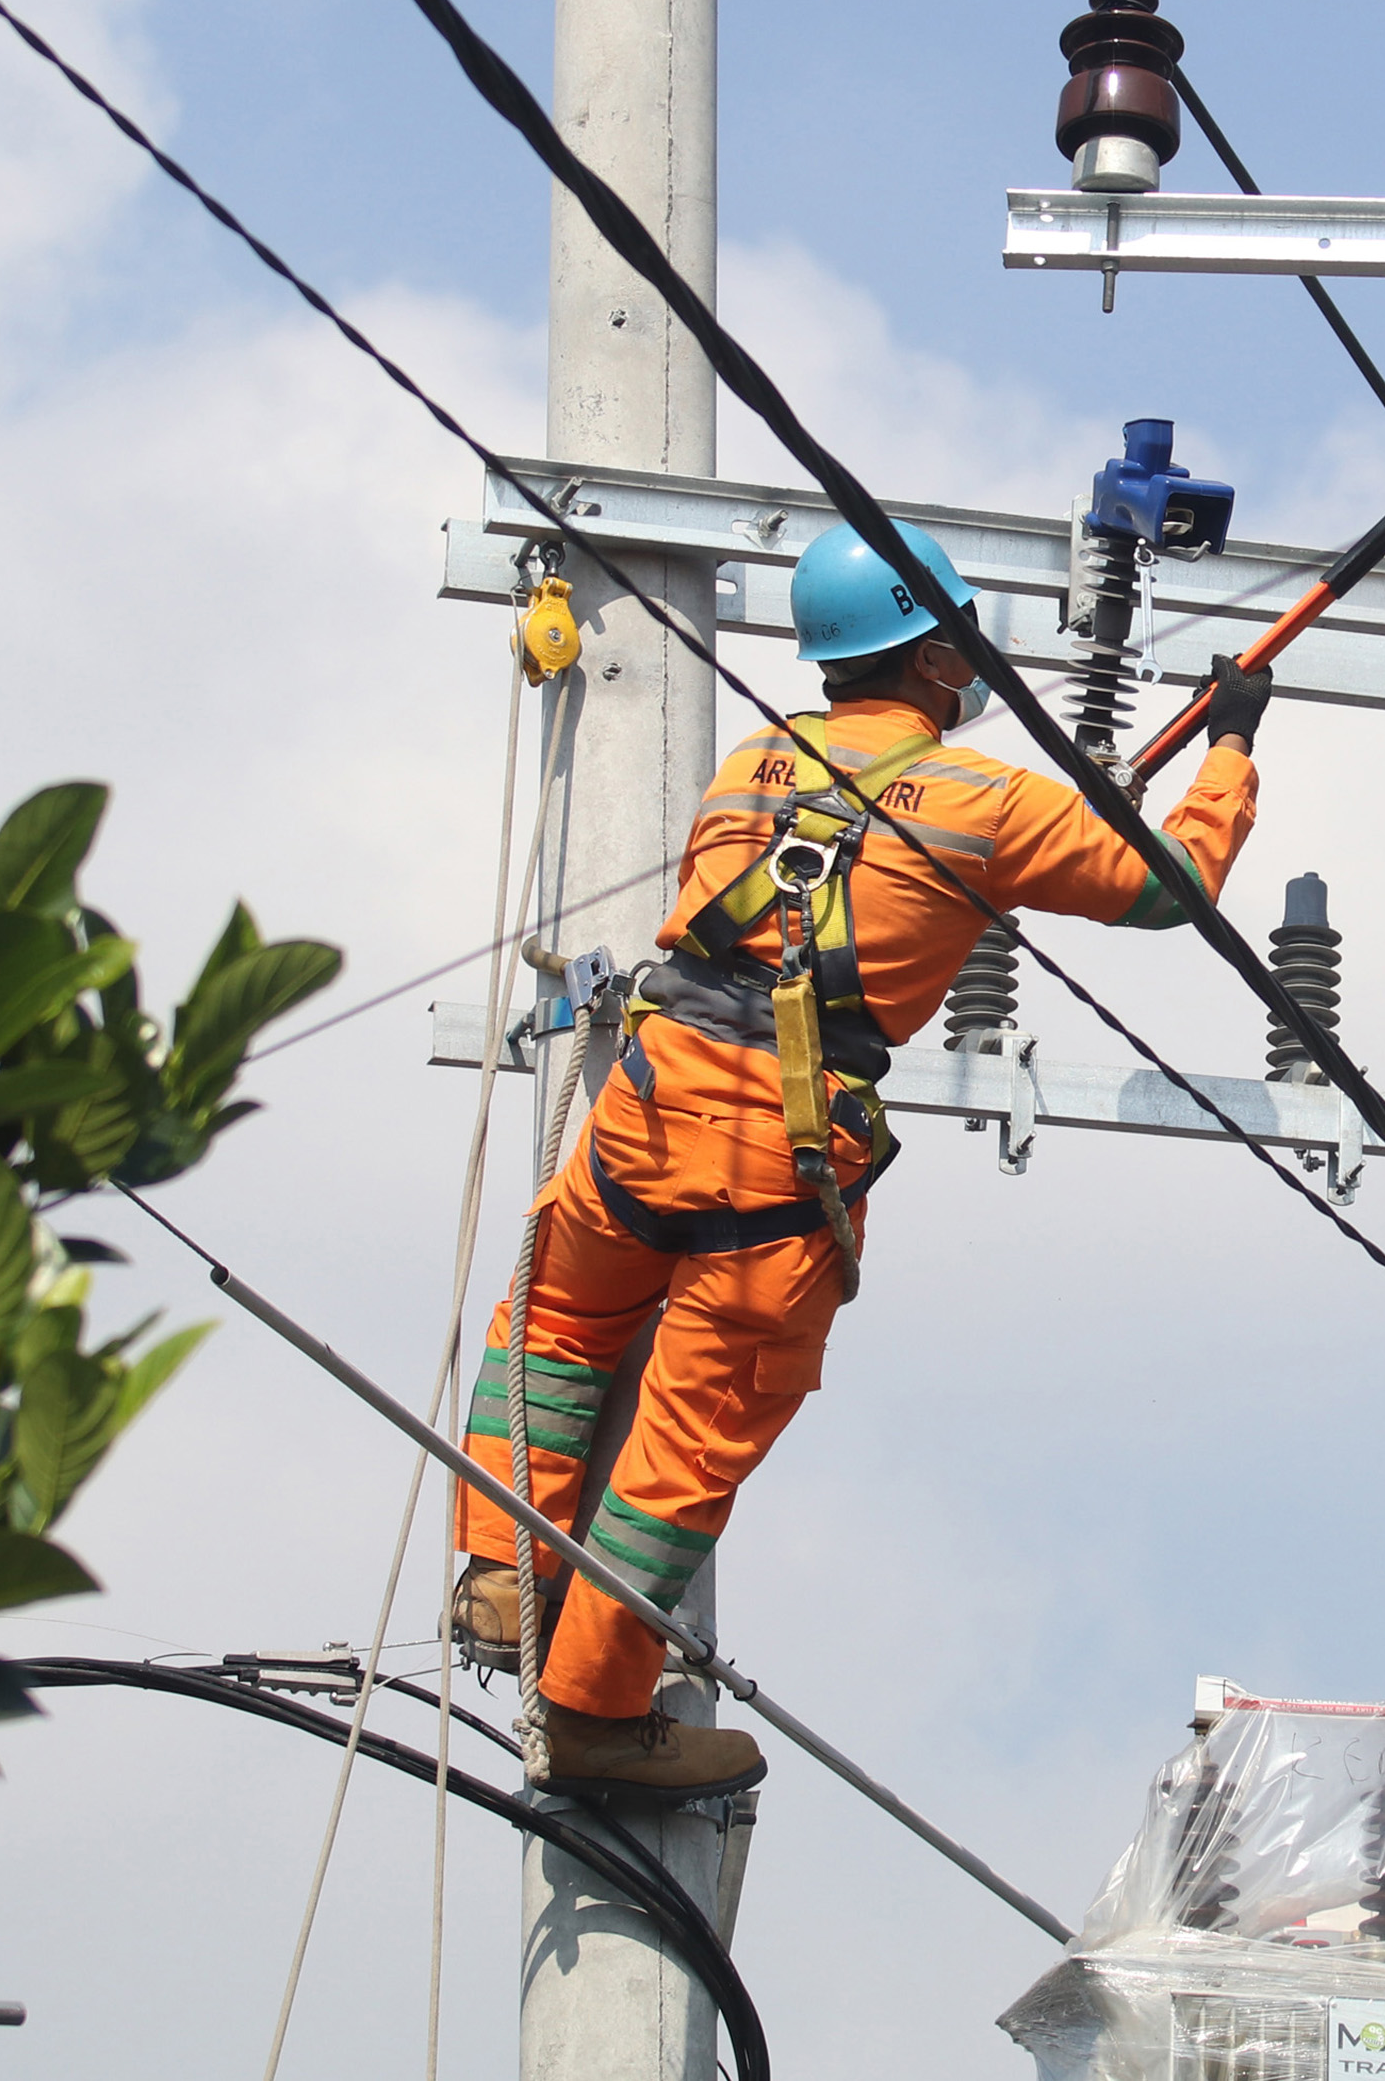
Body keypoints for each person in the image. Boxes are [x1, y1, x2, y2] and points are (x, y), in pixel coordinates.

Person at [447, 521, 1267, 1798]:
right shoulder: (990, 804)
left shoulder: (750, 763)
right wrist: (1230, 744)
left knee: (552, 1321)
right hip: (774, 1151)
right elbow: (1166, 889)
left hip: (648, 1102)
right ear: (936, 652)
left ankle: (500, 1574)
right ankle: (594, 1716)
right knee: (691, 1434)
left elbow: (853, 860)